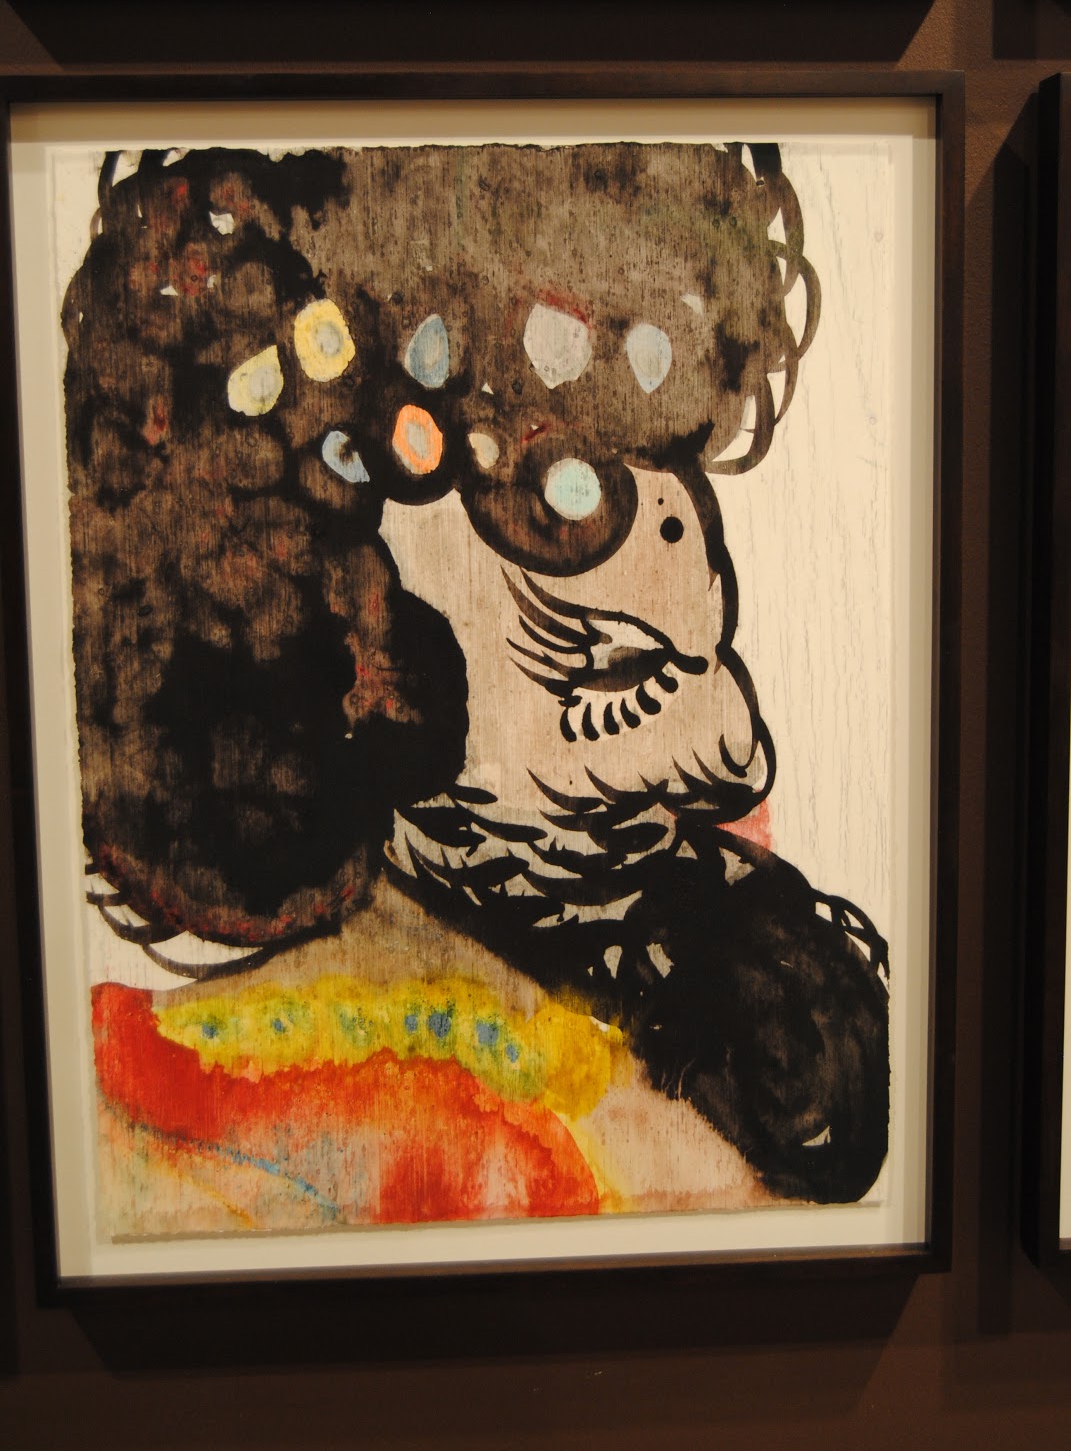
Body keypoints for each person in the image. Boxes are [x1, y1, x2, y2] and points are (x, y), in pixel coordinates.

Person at [67, 139, 889, 1231]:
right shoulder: (151, 1142)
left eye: (663, 445)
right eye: (555, 477)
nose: (669, 521)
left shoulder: (733, 964)